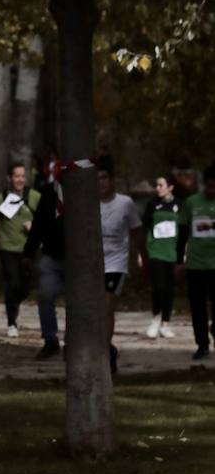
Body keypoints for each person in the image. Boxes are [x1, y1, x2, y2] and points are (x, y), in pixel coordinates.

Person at [0, 162, 41, 338]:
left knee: (25, 289)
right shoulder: (1, 198)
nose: (20, 179)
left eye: (22, 176)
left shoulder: (34, 196)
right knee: (12, 284)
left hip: (28, 249)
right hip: (7, 248)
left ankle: (13, 304)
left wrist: (34, 226)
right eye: (16, 176)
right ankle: (11, 322)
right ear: (9, 178)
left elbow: (48, 217)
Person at [97, 160, 144, 373]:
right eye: (96, 179)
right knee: (95, 310)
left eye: (104, 177)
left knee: (107, 306)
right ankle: (106, 349)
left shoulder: (125, 203)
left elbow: (137, 233)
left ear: (112, 180)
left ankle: (104, 353)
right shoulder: (88, 204)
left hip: (116, 263)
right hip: (93, 265)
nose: (101, 182)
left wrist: (144, 257)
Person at [21, 179, 65, 359]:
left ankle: (73, 342)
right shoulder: (48, 192)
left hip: (78, 257)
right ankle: (50, 340)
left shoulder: (83, 188)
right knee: (45, 296)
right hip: (51, 255)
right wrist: (28, 252)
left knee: (77, 303)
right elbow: (38, 224)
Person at [177, 164, 215, 360]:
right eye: (209, 186)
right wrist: (178, 262)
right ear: (204, 184)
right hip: (196, 264)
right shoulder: (191, 203)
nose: (212, 191)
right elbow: (182, 234)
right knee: (198, 307)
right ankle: (202, 344)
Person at [142, 174, 180, 339]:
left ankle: (165, 324)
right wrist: (140, 253)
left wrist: (184, 251)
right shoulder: (152, 205)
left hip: (173, 252)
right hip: (156, 251)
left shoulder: (180, 205)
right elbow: (145, 229)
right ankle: (155, 319)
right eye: (156, 185)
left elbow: (184, 230)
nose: (157, 188)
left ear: (170, 187)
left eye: (160, 185)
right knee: (158, 287)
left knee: (169, 289)